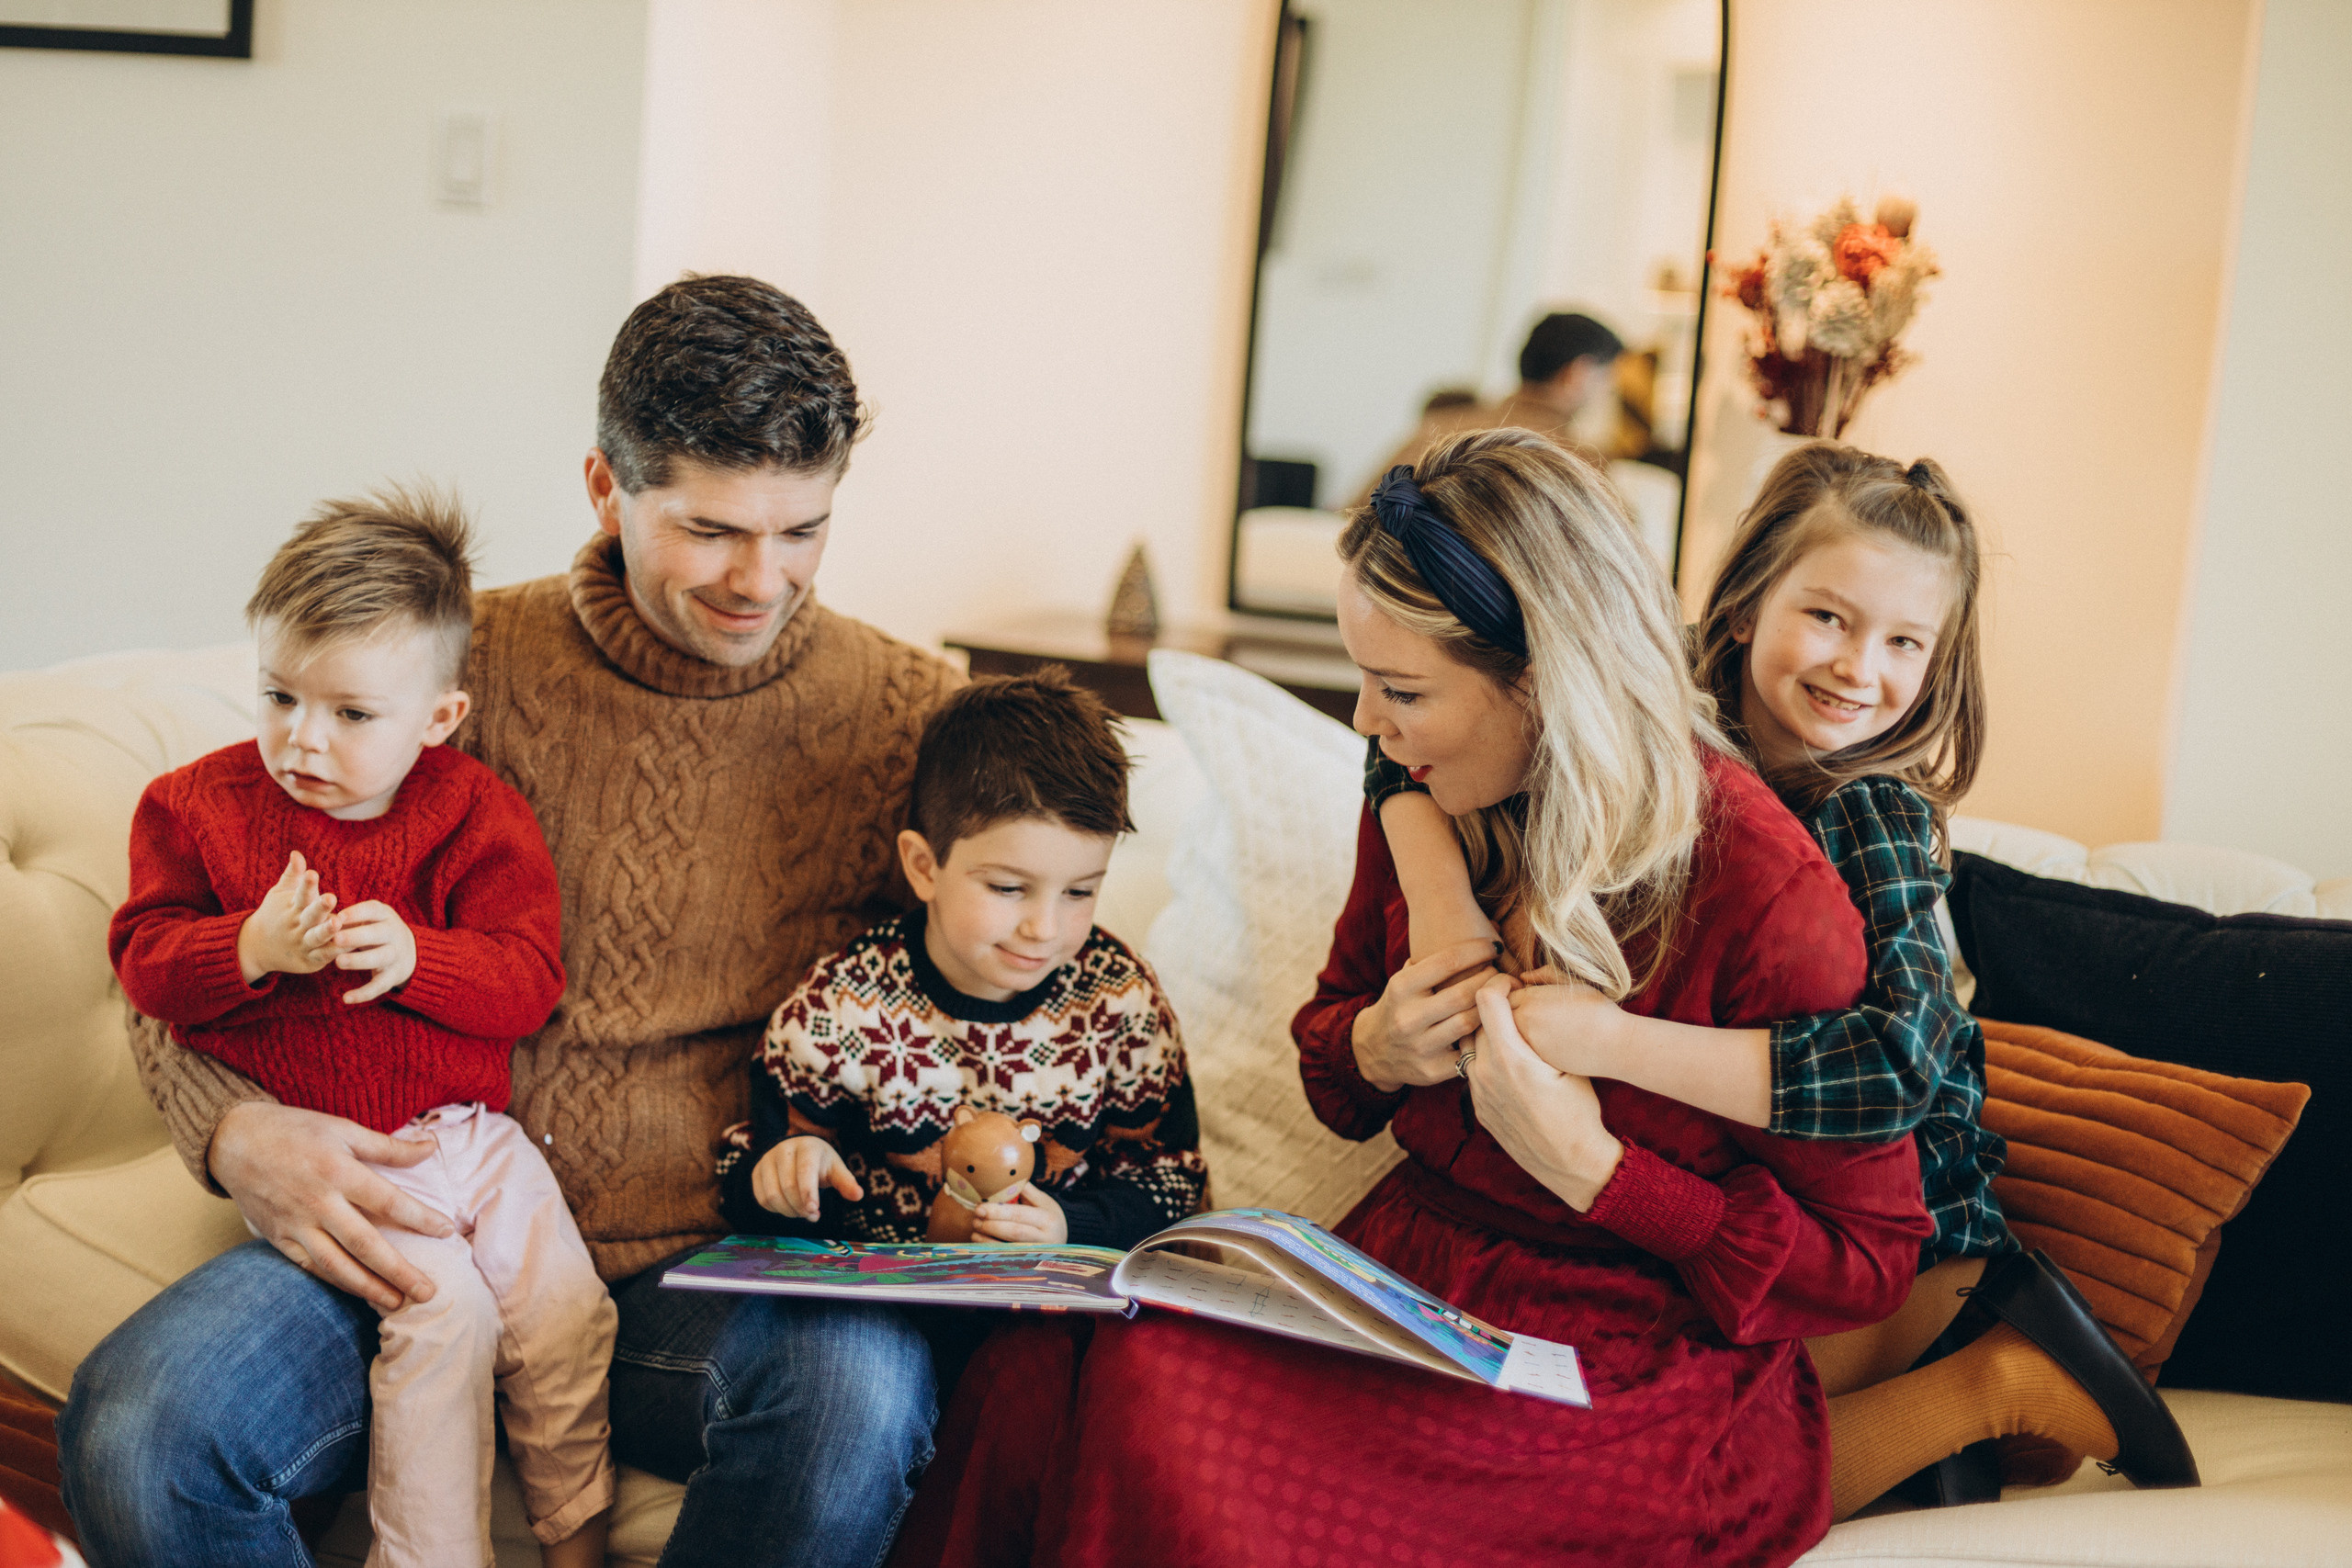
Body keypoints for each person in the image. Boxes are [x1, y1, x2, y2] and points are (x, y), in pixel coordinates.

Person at [893, 427, 1934, 1568]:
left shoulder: (1763, 891)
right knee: (1046, 1353)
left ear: (1542, 679)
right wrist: (1379, 1043)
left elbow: (1867, 1263)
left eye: (1398, 690)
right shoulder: (1428, 793)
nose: (1366, 726)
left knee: (1167, 1395)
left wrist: (1604, 1175)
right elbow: (1334, 1063)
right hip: (1406, 1282)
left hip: (1630, 1369)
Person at [60, 276, 965, 1568]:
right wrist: (237, 1131)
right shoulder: (436, 665)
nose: (762, 579)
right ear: (606, 485)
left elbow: (991, 981)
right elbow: (201, 916)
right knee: (143, 1425)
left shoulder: (905, 710)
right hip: (404, 1202)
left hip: (698, 1272)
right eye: (711, 529)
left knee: (856, 1396)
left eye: (804, 529)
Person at [1366, 441, 2198, 1515]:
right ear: (1747, 602)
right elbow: (1415, 727)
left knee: (1666, 1467)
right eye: (1830, 618)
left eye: (1906, 641)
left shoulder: (1873, 817)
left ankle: (1989, 1379)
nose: (1861, 667)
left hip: (1876, 1225)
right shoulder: (1655, 718)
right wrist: (1441, 907)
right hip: (1701, 1195)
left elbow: (1897, 1069)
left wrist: (1610, 1041)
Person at [105, 493, 613, 1567]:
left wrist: (422, 958)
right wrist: (247, 951)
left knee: (566, 1310)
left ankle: (580, 1532)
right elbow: (146, 964)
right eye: (279, 695)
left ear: (437, 719)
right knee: (449, 1324)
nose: (302, 738)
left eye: (350, 713)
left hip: (474, 1138)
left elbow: (527, 980)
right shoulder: (194, 809)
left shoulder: (476, 814)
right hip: (348, 1161)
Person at [720, 667, 1205, 1257]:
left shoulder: (1119, 1000)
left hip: (1057, 1294)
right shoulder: (841, 1007)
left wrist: (1071, 1227)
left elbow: (1174, 1178)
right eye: (1007, 888)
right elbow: (747, 1175)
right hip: (884, 1302)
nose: (1044, 928)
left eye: (1079, 892)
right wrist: (786, 1177)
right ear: (924, 867)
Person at [1350, 310, 1622, 507]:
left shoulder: (1438, 425)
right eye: (1606, 379)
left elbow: (1352, 516)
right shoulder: (1580, 461)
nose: (1608, 392)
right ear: (1577, 374)